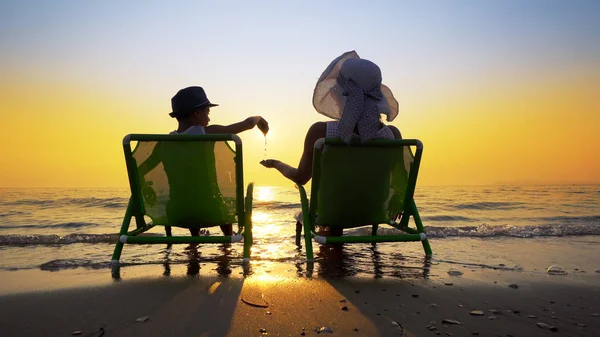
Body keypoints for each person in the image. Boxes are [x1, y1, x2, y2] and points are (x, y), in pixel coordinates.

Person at [260, 51, 401, 236]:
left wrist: (276, 164)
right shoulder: (393, 135)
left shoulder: (321, 133)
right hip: (375, 212)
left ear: (337, 95)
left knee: (331, 209)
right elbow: (398, 180)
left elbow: (301, 178)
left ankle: (330, 257)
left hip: (330, 214)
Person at [138, 86, 269, 236]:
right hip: (211, 211)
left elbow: (140, 171)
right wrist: (259, 119)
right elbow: (247, 124)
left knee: (188, 198)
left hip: (175, 213)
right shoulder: (208, 134)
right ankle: (227, 241)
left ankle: (194, 244)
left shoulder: (163, 143)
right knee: (214, 201)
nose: (209, 118)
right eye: (207, 113)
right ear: (197, 113)